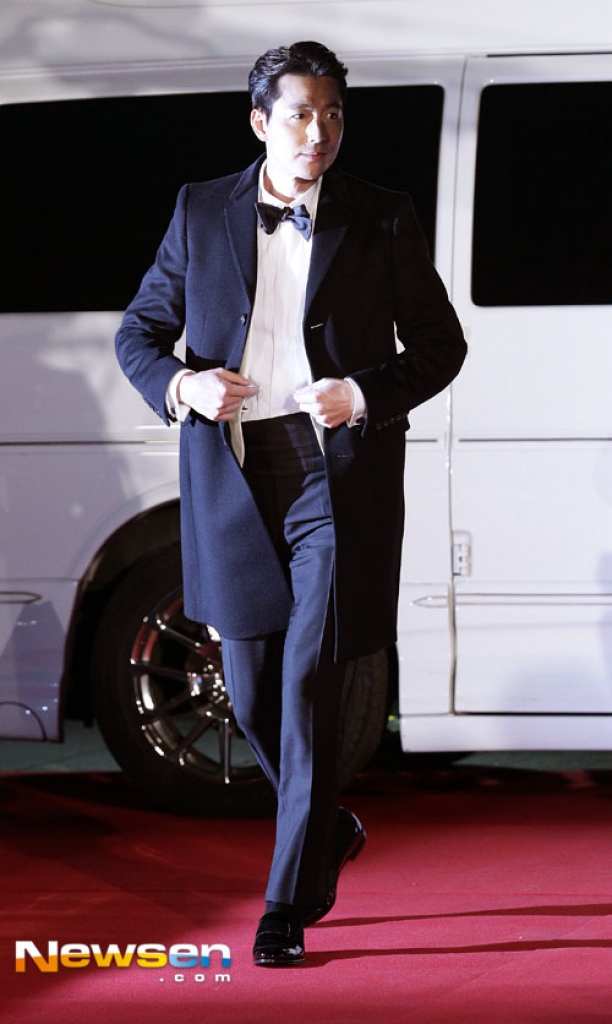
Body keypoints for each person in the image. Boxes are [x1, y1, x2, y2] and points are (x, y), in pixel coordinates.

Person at [115, 40, 466, 967]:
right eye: (302, 113)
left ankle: (286, 903)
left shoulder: (382, 215)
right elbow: (140, 332)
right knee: (252, 690)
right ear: (261, 122)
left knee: (308, 683)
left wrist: (365, 392)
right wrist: (183, 387)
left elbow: (442, 345)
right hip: (233, 472)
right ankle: (327, 826)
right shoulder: (201, 209)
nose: (320, 132)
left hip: (332, 477)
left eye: (334, 114)